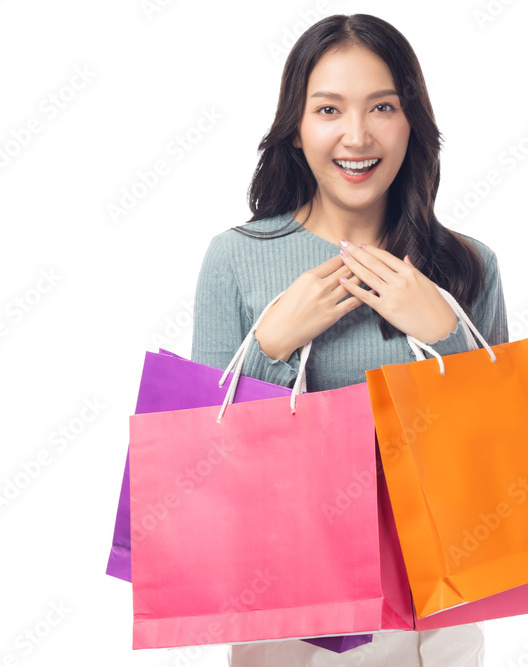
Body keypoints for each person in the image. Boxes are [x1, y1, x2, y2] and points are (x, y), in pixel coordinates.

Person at [190, 13, 508, 667]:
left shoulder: (466, 265)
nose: (357, 136)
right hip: (284, 602)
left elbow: (501, 457)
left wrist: (445, 335)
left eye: (382, 107)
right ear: (296, 125)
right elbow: (200, 465)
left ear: (411, 120)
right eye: (329, 108)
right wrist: (271, 348)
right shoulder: (236, 258)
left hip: (435, 608)